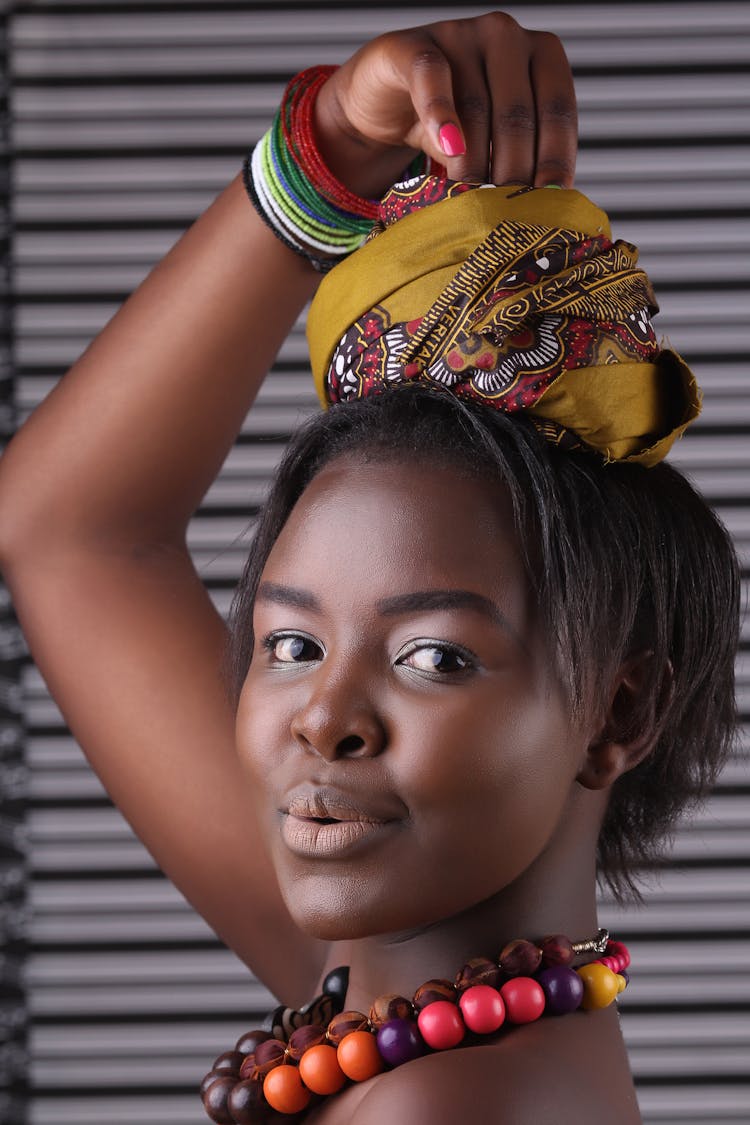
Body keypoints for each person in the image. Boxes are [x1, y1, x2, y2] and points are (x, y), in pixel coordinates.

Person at [0, 10, 739, 1125]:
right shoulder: (375, 992)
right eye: (290, 644)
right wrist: (327, 156)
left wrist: (328, 167)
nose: (322, 718)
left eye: (434, 656)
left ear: (618, 705)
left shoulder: (440, 1099)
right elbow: (66, 532)